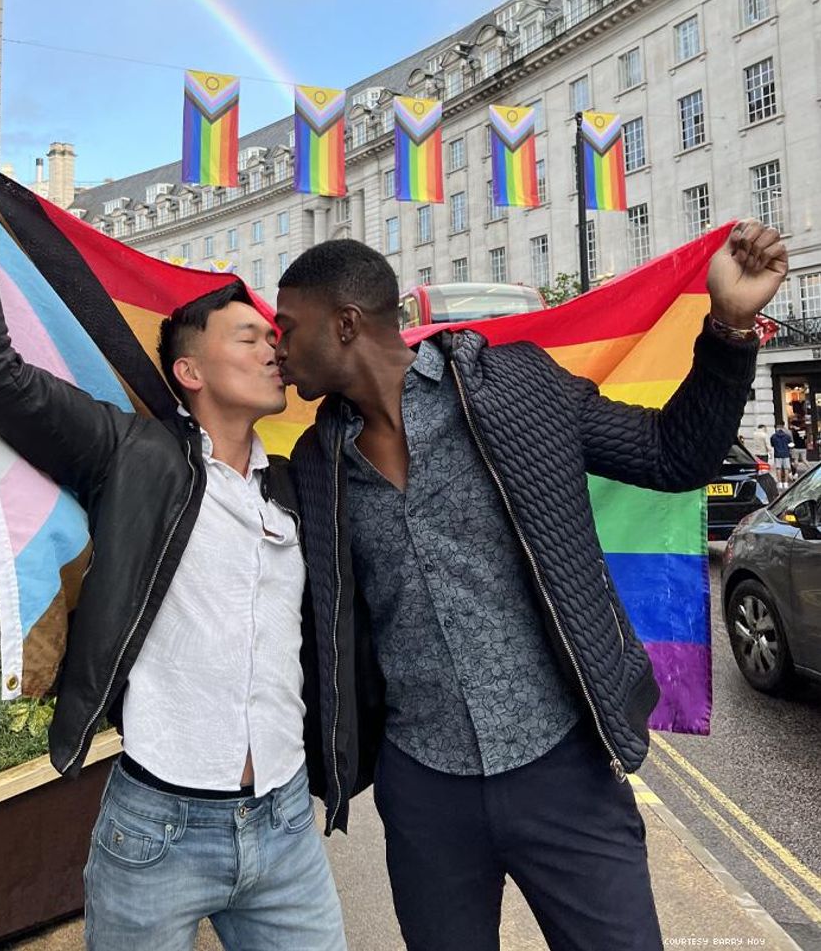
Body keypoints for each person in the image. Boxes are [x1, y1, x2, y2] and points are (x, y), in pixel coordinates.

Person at [274, 221, 787, 951]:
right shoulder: (315, 463)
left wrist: (730, 328)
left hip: (565, 772)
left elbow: (672, 453)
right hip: (423, 793)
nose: (279, 346)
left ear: (346, 323)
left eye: (288, 327)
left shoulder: (516, 387)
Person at [0, 120, 346, 951]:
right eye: (250, 335)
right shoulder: (133, 455)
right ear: (190, 371)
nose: (274, 347)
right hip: (158, 833)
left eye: (275, 337)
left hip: (287, 824)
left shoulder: (299, 485)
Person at [771, 422, 793, 487]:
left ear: (777, 429)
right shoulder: (787, 436)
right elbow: (790, 444)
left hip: (777, 454)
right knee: (786, 469)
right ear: (783, 428)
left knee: (778, 469)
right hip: (786, 454)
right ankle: (786, 483)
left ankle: (780, 483)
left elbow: (772, 445)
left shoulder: (773, 436)